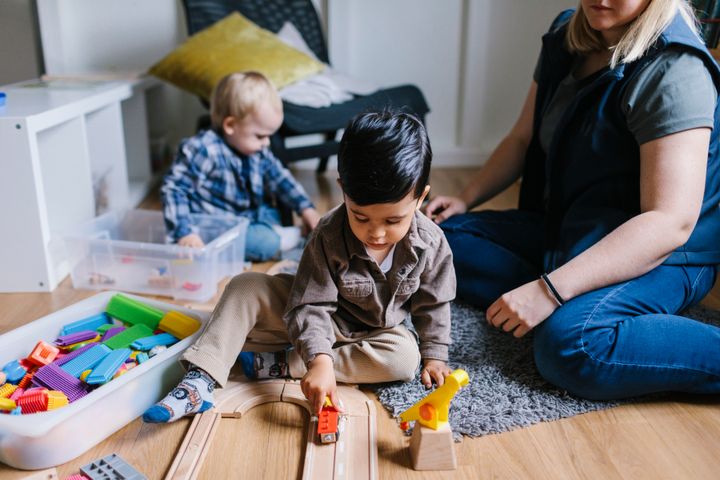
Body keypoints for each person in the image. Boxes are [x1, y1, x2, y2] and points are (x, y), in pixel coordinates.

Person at [425, 0, 720, 400]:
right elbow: (521, 138)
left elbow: (670, 223)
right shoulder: (567, 33)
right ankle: (573, 291)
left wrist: (548, 292)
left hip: (664, 253)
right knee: (435, 242)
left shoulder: (675, 71)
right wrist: (465, 197)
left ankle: (573, 301)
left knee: (570, 345)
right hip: (577, 225)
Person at [143, 111, 456, 423]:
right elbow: (310, 305)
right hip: (314, 316)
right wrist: (319, 358)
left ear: (420, 198)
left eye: (392, 221)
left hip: (374, 332)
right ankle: (201, 379)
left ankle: (282, 363)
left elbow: (434, 303)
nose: (376, 232)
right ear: (343, 190)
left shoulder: (432, 243)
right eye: (360, 217)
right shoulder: (329, 233)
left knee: (404, 360)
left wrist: (435, 357)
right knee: (244, 287)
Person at [161, 71, 321, 262]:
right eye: (260, 136)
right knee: (263, 242)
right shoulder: (203, 149)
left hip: (250, 215)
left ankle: (284, 237)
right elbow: (174, 189)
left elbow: (280, 177)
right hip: (217, 228)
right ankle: (285, 241)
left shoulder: (258, 150)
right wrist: (184, 233)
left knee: (279, 210)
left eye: (269, 136)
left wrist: (306, 209)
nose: (267, 143)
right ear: (230, 125)